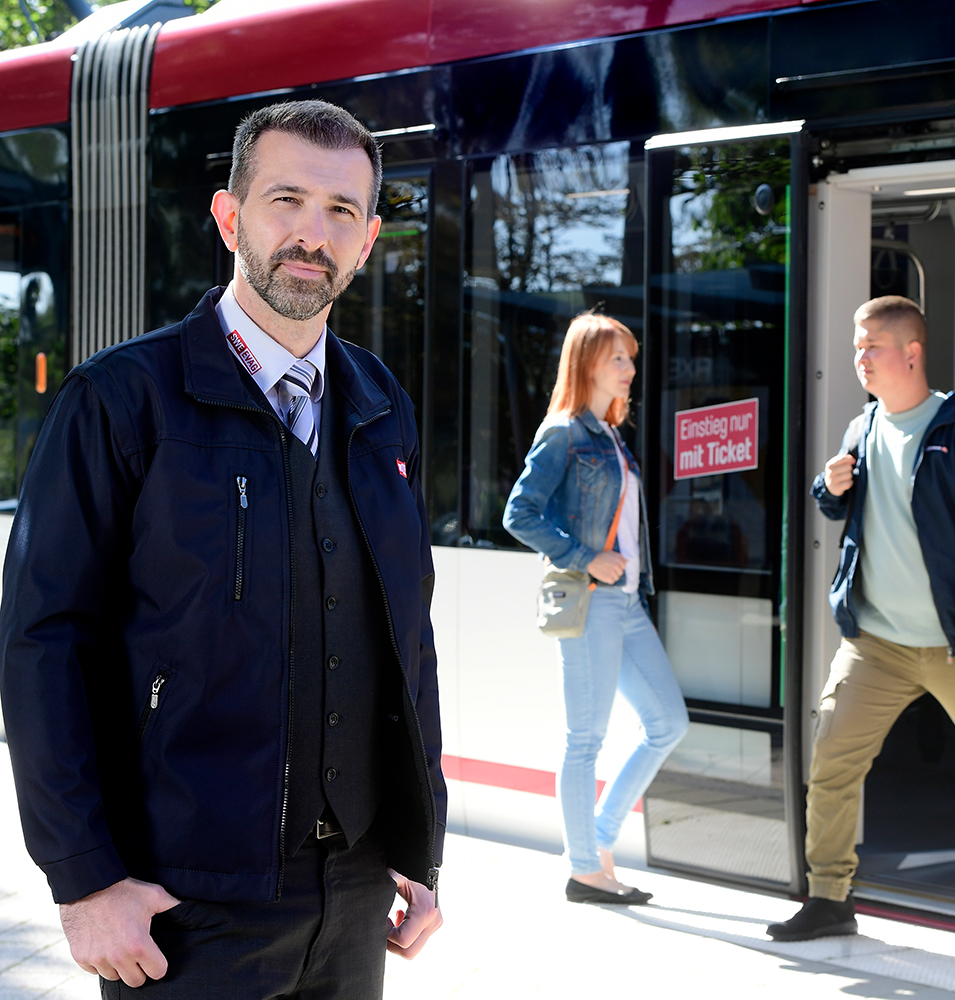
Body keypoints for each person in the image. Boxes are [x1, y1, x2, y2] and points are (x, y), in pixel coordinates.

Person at [0, 100, 445, 998]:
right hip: (181, 904)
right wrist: (84, 880)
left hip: (354, 899)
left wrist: (417, 846)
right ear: (229, 216)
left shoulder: (380, 404)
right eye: (286, 200)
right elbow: (41, 644)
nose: (312, 234)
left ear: (366, 242)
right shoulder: (120, 401)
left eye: (341, 212)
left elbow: (407, 635)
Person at [767, 295, 955, 942]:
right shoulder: (861, 429)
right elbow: (844, 511)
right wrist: (828, 488)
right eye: (856, 346)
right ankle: (830, 898)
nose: (860, 358)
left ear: (912, 353)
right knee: (832, 761)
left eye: (871, 346)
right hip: (875, 644)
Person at [503, 312, 689, 905]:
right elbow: (520, 513)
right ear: (587, 364)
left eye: (630, 359)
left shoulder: (609, 435)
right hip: (593, 602)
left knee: (667, 722)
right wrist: (586, 556)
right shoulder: (565, 432)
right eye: (618, 359)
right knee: (586, 738)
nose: (630, 369)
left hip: (627, 603)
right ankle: (585, 868)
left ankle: (600, 838)